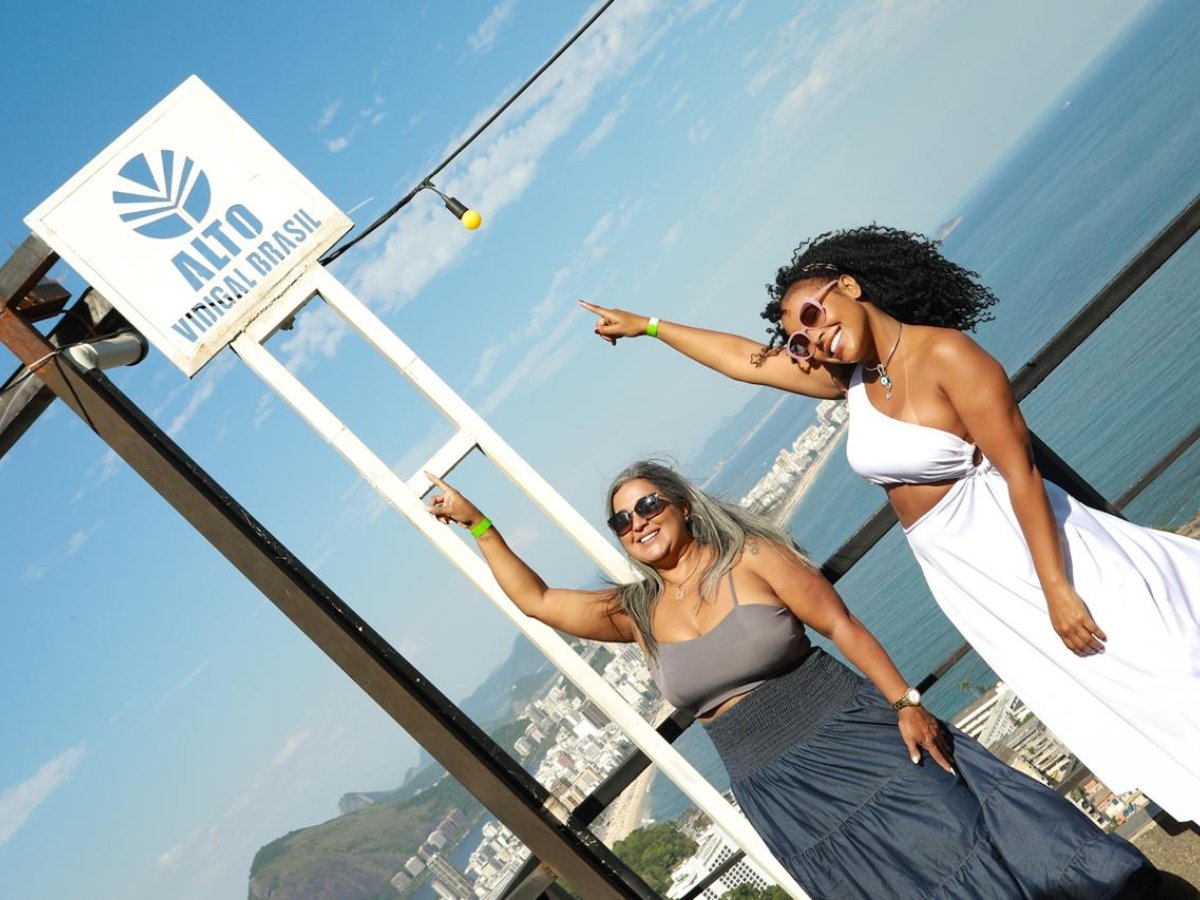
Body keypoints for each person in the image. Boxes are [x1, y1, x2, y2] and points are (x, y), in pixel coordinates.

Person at [578, 225, 1200, 825]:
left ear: (849, 285)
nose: (811, 340)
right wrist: (651, 327)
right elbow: (745, 361)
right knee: (1096, 692)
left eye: (813, 317)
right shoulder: (853, 381)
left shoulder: (947, 354)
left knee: (1153, 661)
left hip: (1027, 549)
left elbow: (1021, 476)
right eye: (797, 339)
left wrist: (1057, 588)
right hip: (966, 575)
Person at [424, 460, 1153, 898]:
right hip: (775, 785)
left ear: (681, 504)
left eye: (648, 504)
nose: (638, 521)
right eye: (622, 520)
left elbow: (841, 627)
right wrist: (478, 522)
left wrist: (906, 700)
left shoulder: (754, 558)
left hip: (854, 734)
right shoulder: (638, 612)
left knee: (963, 839)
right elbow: (540, 601)